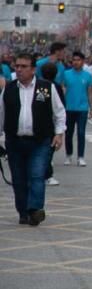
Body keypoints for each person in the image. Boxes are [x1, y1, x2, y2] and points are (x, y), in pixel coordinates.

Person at [0, 53, 66, 226]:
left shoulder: (46, 88)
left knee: (36, 175)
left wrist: (59, 134)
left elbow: (59, 113)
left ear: (33, 69)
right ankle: (23, 211)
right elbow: (1, 115)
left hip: (40, 141)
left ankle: (35, 209)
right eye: (17, 66)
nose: (19, 70)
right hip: (14, 142)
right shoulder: (9, 88)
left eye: (24, 66)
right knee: (19, 178)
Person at [62, 51, 92, 167]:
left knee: (81, 133)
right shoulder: (66, 74)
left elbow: (90, 92)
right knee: (69, 132)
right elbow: (63, 90)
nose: (76, 62)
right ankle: (68, 155)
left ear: (83, 61)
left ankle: (81, 157)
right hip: (68, 108)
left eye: (78, 60)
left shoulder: (87, 76)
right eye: (74, 60)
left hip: (82, 108)